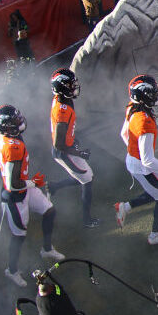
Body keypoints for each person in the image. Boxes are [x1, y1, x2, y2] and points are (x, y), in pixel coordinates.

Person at [0, 104, 64, 287]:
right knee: (19, 237)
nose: (19, 121)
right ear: (7, 126)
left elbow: (0, 164)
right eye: (15, 120)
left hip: (23, 188)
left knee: (49, 211)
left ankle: (46, 249)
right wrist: (33, 183)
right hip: (15, 196)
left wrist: (28, 183)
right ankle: (12, 270)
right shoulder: (12, 147)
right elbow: (12, 184)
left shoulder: (6, 137)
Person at [114, 75, 158, 245]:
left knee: (156, 191)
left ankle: (125, 207)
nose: (156, 95)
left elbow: (124, 134)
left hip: (136, 161)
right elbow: (148, 162)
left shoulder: (132, 107)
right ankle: (154, 236)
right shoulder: (144, 121)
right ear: (142, 95)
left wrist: (134, 148)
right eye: (151, 93)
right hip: (142, 166)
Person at [47, 69, 99, 228]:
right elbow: (59, 144)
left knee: (86, 177)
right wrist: (79, 152)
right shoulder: (62, 110)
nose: (74, 87)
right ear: (61, 88)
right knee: (87, 180)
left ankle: (53, 186)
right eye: (70, 85)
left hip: (67, 147)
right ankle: (86, 220)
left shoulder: (61, 99)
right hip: (64, 152)